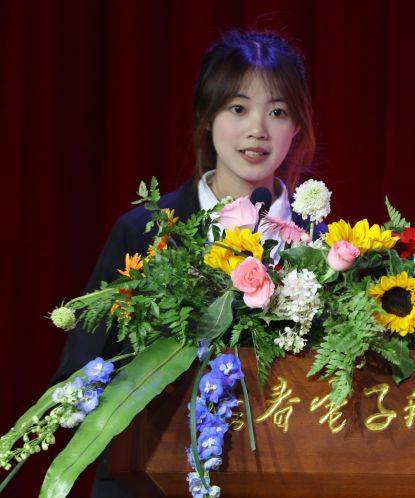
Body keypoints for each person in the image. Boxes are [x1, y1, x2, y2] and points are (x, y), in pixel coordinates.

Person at [49, 29, 317, 497]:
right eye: (238, 108)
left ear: (297, 127)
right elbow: (79, 373)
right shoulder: (143, 233)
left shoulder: (326, 251)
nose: (258, 129)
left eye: (278, 112)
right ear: (206, 118)